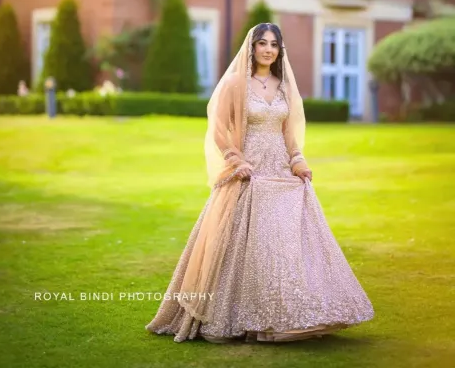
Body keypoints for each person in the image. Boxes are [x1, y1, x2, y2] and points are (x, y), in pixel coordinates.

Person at [145, 23, 374, 343]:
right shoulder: (236, 84)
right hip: (248, 174)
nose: (268, 49)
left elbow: (288, 133)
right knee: (245, 243)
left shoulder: (283, 86)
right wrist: (235, 161)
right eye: (262, 43)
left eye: (274, 44)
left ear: (280, 50)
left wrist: (298, 160)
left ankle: (290, 314)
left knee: (282, 245)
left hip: (280, 173)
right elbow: (219, 127)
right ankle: (241, 315)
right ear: (251, 47)